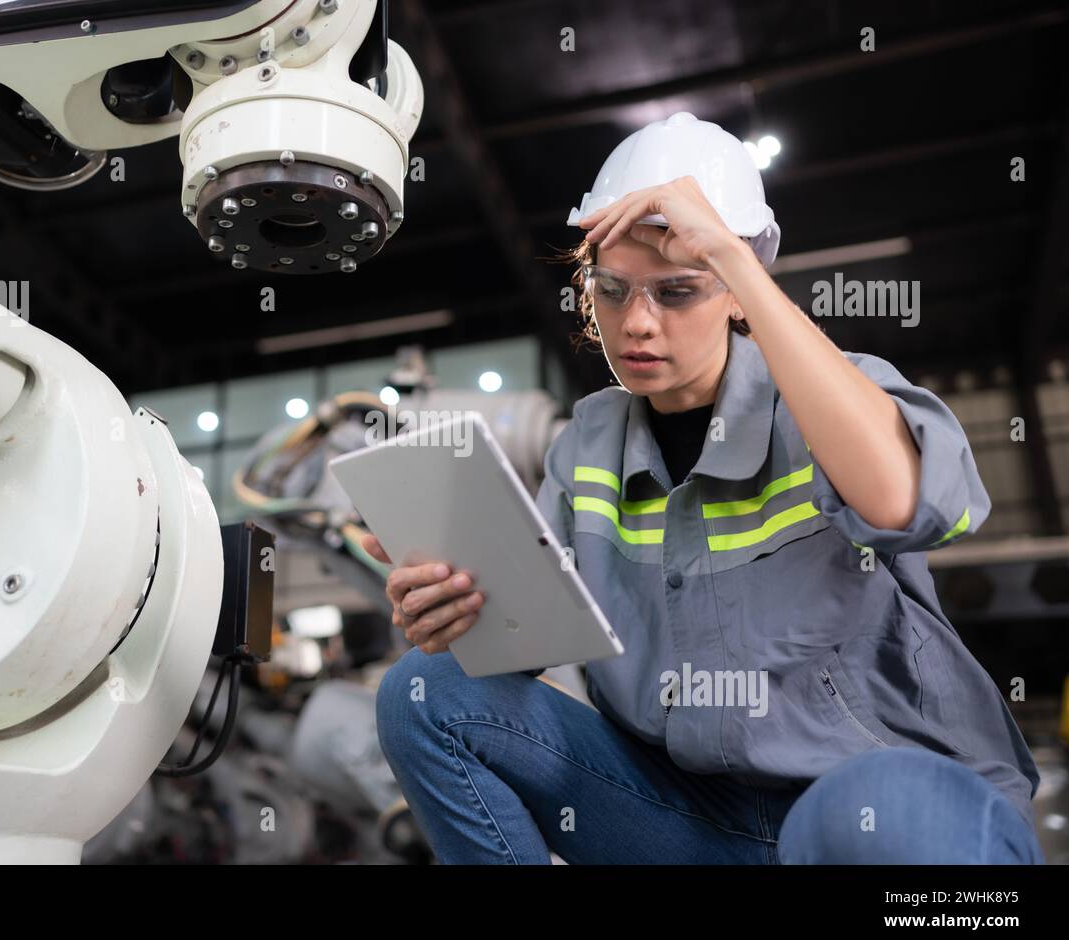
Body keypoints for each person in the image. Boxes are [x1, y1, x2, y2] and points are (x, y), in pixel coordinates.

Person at [362, 112, 1042, 864]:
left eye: (678, 290)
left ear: (741, 288)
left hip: (891, 813)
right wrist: (456, 610)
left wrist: (728, 252)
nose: (638, 324)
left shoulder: (835, 398)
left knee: (866, 810)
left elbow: (901, 501)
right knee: (427, 692)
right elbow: (525, 653)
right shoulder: (585, 450)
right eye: (612, 289)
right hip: (697, 824)